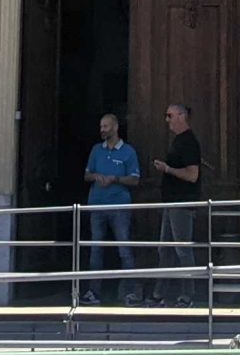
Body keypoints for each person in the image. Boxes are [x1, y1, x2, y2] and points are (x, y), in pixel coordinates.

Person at [80, 111, 142, 304]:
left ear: (115, 127)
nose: (102, 130)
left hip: (119, 207)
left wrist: (115, 179)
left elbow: (135, 179)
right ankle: (93, 292)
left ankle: (130, 292)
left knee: (124, 249)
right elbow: (86, 175)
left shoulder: (128, 152)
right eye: (101, 127)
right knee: (96, 249)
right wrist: (96, 176)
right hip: (97, 204)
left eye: (105, 126)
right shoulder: (96, 150)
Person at [149, 102, 204, 306]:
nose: (167, 120)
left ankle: (188, 295)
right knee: (165, 250)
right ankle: (159, 294)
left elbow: (192, 175)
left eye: (170, 115)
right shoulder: (179, 141)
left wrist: (167, 169)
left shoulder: (189, 142)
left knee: (182, 249)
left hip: (182, 203)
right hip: (171, 203)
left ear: (181, 116)